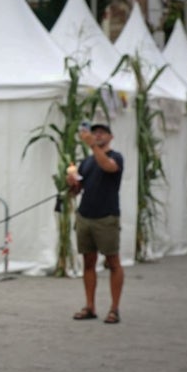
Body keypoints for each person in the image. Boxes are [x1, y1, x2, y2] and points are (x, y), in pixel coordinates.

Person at [68, 122, 124, 324]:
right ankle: (90, 306)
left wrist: (93, 146)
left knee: (113, 262)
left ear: (111, 137)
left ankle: (114, 309)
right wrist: (72, 184)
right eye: (94, 133)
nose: (98, 135)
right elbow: (78, 190)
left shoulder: (115, 157)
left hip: (106, 216)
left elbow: (109, 167)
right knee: (88, 263)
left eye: (102, 133)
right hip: (85, 216)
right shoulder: (87, 162)